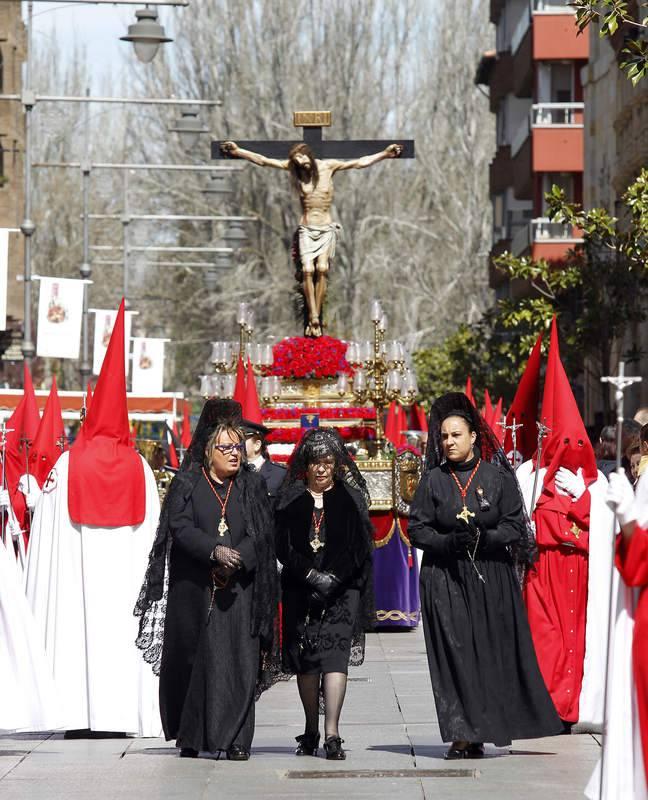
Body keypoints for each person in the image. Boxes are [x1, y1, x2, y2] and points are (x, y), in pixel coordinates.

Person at [24, 301, 161, 735]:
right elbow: (154, 533)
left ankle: (76, 713)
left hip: (75, 582)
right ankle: (120, 715)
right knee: (120, 638)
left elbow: (45, 532)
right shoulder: (139, 467)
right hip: (125, 584)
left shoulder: (65, 466)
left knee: (76, 638)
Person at [409, 392, 561, 760]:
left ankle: (487, 725)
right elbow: (417, 528)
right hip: (444, 579)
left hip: (490, 577)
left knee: (487, 654)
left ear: (474, 436)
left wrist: (485, 536)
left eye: (456, 435)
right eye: (444, 436)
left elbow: (515, 527)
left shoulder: (496, 477)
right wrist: (447, 542)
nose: (449, 442)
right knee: (455, 653)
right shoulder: (433, 480)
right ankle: (463, 733)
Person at [135, 399, 278, 761]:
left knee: (239, 661)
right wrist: (214, 551)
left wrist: (239, 558)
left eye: (238, 446)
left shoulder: (251, 485)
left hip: (240, 589)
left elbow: (262, 532)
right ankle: (192, 734)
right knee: (195, 661)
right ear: (209, 449)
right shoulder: (188, 482)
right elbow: (179, 527)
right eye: (226, 447)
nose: (234, 454)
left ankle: (237, 738)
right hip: (195, 587)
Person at [220, 139, 402, 336]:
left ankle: (316, 318)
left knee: (322, 268)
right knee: (308, 269)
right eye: (296, 159)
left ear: (309, 154)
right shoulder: (294, 170)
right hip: (307, 228)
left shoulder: (328, 166)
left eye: (302, 156)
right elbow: (263, 160)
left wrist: (385, 154)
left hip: (325, 227)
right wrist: (239, 152)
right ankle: (314, 316)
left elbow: (359, 162)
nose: (300, 161)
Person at [274, 428, 374, 760]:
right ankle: (310, 728)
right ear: (306, 464)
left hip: (342, 593)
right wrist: (311, 576)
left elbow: (359, 546)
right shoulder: (290, 500)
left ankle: (332, 733)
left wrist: (333, 579)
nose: (321, 468)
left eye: (327, 461)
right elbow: (283, 547)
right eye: (315, 462)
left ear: (336, 463)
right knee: (307, 661)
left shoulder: (350, 498)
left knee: (334, 658)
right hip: (301, 591)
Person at [241, 418, 286, 499]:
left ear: (257, 445)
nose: (237, 444)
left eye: (242, 440)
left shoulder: (280, 474)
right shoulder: (233, 471)